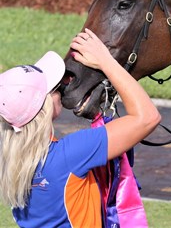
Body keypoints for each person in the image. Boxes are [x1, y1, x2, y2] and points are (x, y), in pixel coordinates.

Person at [0, 28, 161, 227]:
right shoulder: (71, 154)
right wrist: (106, 61)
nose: (62, 88)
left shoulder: (11, 161)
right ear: (43, 108)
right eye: (56, 88)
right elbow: (147, 117)